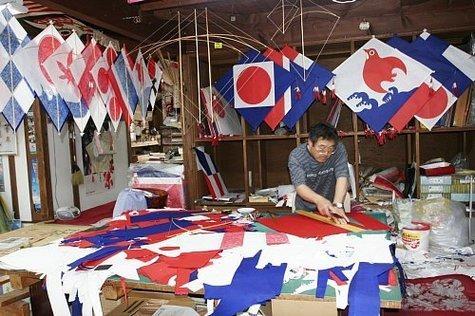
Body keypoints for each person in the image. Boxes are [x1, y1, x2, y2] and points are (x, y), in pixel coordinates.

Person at [288, 122, 350, 224]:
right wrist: (320, 200)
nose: (326, 153)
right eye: (321, 148)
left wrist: (337, 204)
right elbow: (300, 186)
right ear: (310, 143)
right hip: (305, 209)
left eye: (330, 149)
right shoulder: (297, 156)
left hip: (331, 207)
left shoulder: (339, 150)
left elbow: (342, 177)